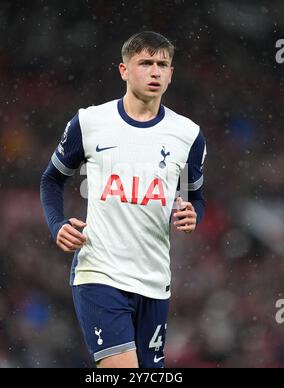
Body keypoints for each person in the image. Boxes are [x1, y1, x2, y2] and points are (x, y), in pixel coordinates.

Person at [40, 31, 206, 368]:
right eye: (145, 63)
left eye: (162, 64)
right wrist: (57, 225)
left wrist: (193, 214)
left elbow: (196, 197)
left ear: (171, 73)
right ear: (123, 70)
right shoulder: (89, 123)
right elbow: (51, 180)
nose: (155, 71)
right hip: (100, 273)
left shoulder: (188, 134)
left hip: (154, 280)